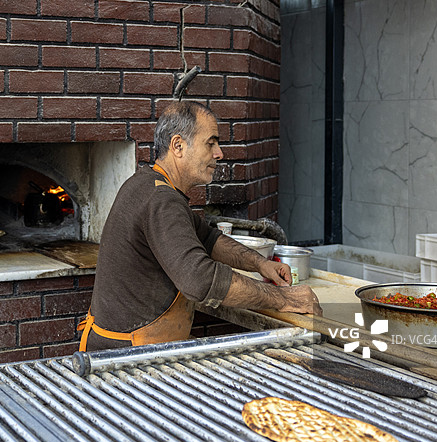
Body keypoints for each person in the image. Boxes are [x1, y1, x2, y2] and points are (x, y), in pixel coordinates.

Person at [79, 100, 322, 352]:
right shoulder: (161, 200)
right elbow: (200, 280)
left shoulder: (149, 184)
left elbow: (209, 239)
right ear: (178, 146)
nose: (219, 153)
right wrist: (283, 299)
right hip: (125, 355)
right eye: (211, 143)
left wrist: (261, 264)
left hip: (128, 346)